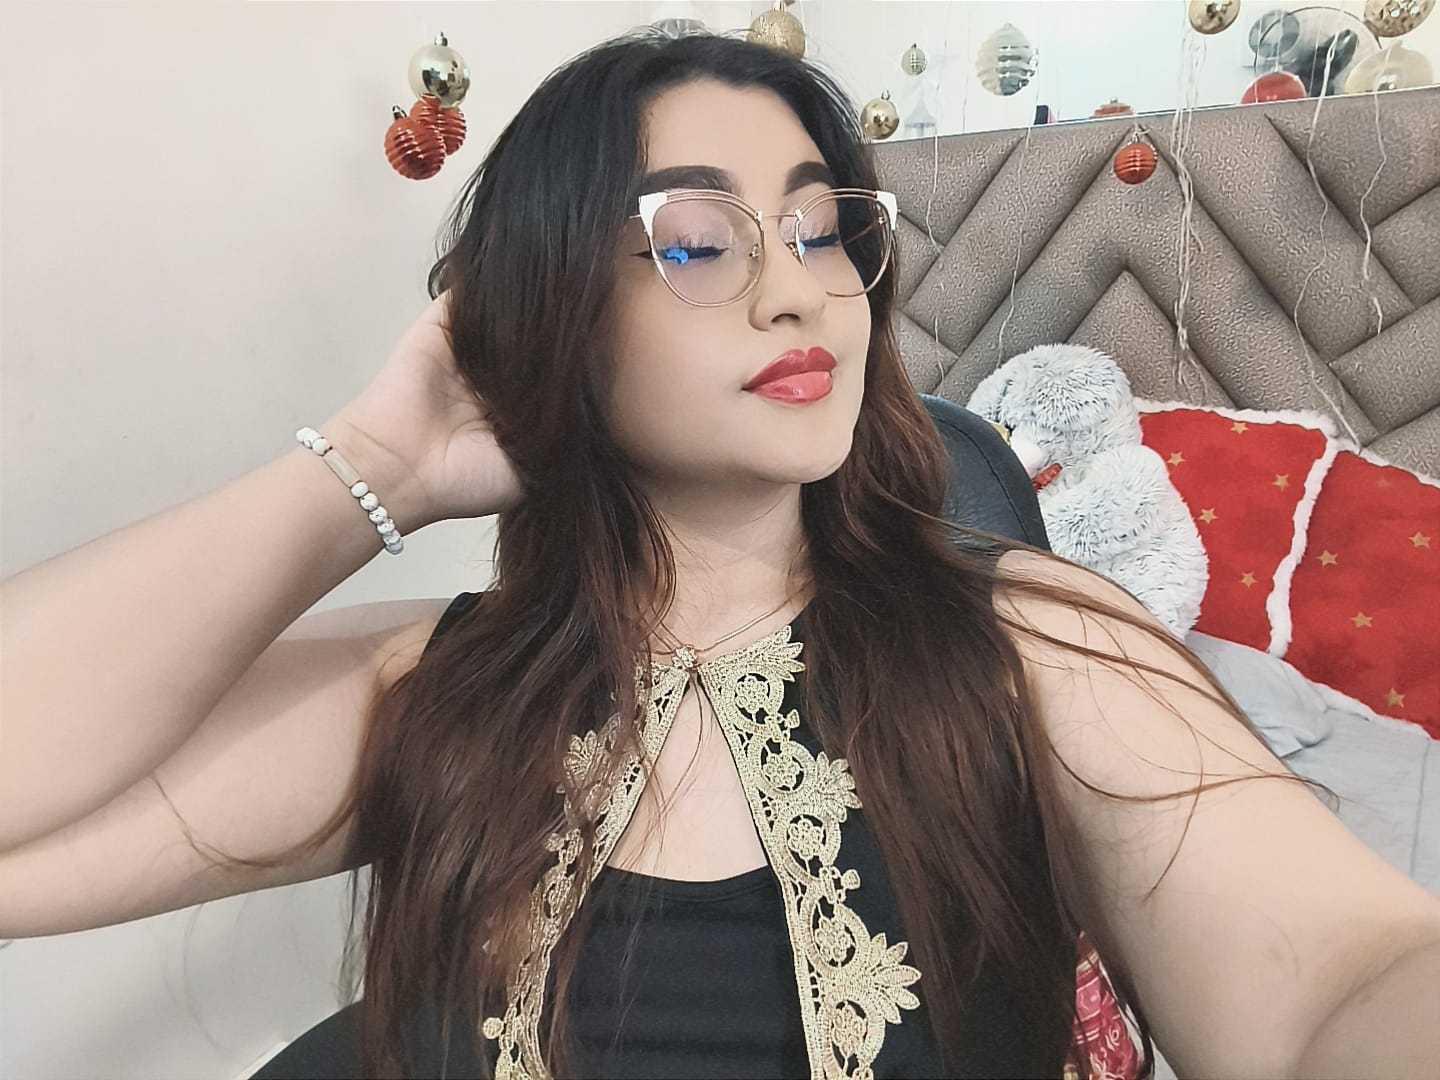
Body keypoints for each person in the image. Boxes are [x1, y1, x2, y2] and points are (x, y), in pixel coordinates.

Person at [3, 26, 1437, 1080]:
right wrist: (372, 469)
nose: (796, 291)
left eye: (822, 231)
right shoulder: (443, 693)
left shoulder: (1031, 644)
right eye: (697, 242)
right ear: (554, 302)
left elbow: (1334, 985)